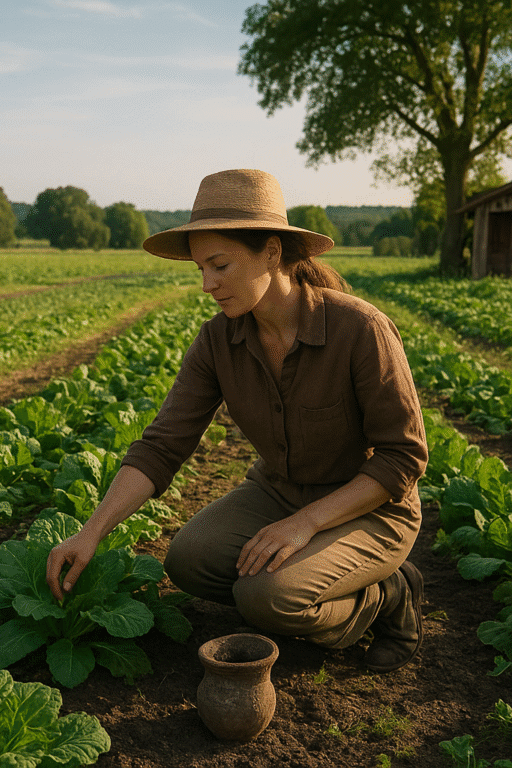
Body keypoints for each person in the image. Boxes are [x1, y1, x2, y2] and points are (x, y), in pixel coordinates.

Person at [46, 169, 428, 673]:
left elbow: (404, 457)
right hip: (278, 493)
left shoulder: (359, 329)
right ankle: (326, 584)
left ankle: (387, 597)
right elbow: (163, 446)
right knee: (188, 561)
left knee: (266, 597)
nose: (207, 284)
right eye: (201, 268)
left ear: (272, 252)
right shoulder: (217, 342)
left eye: (220, 265)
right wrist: (90, 531)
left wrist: (305, 524)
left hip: (371, 508)